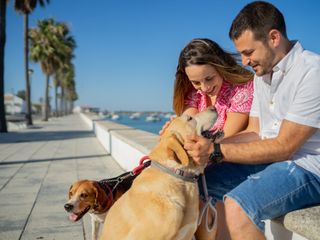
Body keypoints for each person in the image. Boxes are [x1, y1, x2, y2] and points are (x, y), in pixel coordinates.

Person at [184, 1, 320, 240]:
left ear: (274, 37)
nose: (245, 61)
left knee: (239, 207)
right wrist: (205, 147)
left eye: (248, 52)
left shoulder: (312, 71)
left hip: (308, 168)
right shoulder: (262, 75)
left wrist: (215, 152)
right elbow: (256, 132)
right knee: (200, 188)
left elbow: (284, 147)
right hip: (274, 161)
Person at [169, 38, 254, 138]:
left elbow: (223, 138)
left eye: (209, 78)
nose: (204, 88)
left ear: (221, 67)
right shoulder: (193, 91)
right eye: (196, 82)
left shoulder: (242, 91)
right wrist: (172, 132)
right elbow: (189, 129)